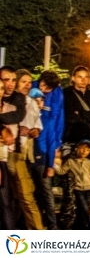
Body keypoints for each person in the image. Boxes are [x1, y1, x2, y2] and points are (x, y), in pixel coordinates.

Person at [61, 65, 90, 229]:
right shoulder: (67, 94)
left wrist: (82, 114)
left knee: (87, 184)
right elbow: (69, 116)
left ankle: (83, 222)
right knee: (70, 186)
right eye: (79, 76)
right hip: (71, 142)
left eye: (86, 77)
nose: (83, 80)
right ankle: (68, 221)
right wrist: (87, 115)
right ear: (73, 78)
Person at [9, 69, 44, 230]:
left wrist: (33, 131)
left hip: (21, 152)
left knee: (26, 194)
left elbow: (37, 127)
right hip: (8, 151)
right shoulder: (9, 101)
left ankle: (37, 232)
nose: (27, 85)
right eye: (23, 81)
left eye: (29, 82)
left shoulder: (31, 103)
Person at [32, 70, 63, 231]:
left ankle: (52, 225)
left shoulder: (55, 99)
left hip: (42, 153)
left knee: (45, 190)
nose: (42, 89)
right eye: (41, 85)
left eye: (46, 88)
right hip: (29, 150)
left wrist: (51, 163)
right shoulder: (33, 86)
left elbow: (55, 128)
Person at [0, 65, 24, 229]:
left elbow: (12, 135)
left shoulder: (12, 108)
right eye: (4, 82)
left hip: (3, 159)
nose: (3, 89)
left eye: (1, 89)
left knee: (5, 201)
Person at [56, 139, 90, 230]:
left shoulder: (89, 163)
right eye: (82, 148)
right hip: (78, 189)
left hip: (89, 188)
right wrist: (54, 164)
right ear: (77, 149)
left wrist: (88, 180)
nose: (84, 151)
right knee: (84, 208)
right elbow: (62, 171)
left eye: (87, 150)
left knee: (84, 208)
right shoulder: (71, 162)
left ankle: (80, 226)